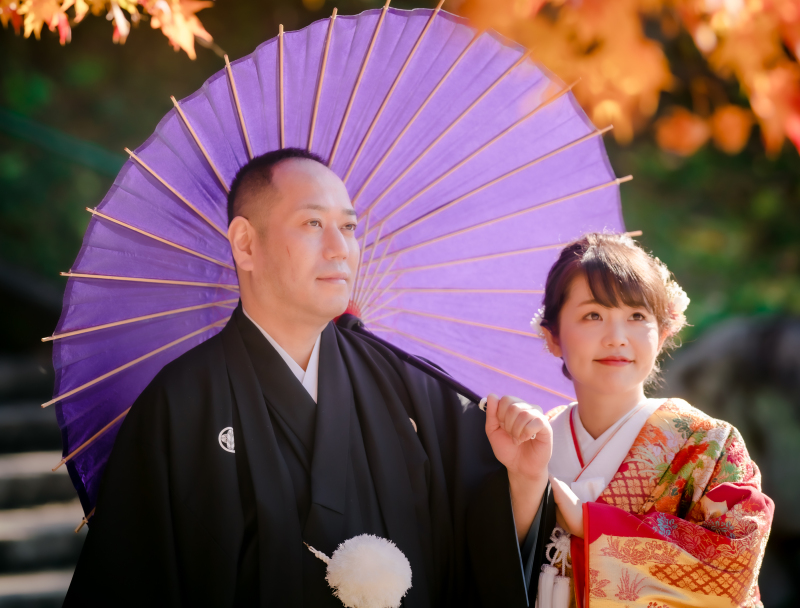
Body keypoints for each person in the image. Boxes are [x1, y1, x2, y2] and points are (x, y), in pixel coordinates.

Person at [64, 148, 551, 608]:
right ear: (246, 243)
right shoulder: (181, 405)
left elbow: (486, 544)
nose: (340, 248)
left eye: (349, 227)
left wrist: (525, 479)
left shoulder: (408, 385)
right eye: (313, 223)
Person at [500, 233, 774, 608]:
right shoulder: (527, 443)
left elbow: (734, 566)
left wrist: (597, 529)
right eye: (592, 315)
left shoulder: (708, 444)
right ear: (553, 337)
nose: (616, 338)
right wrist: (526, 487)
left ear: (662, 335)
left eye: (637, 317)